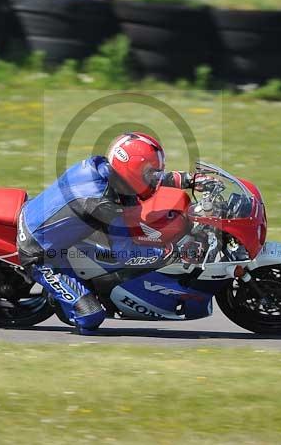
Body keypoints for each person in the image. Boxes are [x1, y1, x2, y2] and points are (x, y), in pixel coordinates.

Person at [16, 132, 196, 334]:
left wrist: (188, 179)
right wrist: (170, 253)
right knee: (91, 317)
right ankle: (68, 298)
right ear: (132, 170)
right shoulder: (104, 203)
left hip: (44, 217)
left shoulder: (103, 167)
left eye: (155, 173)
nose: (154, 179)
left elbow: (143, 179)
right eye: (149, 173)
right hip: (42, 253)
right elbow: (124, 253)